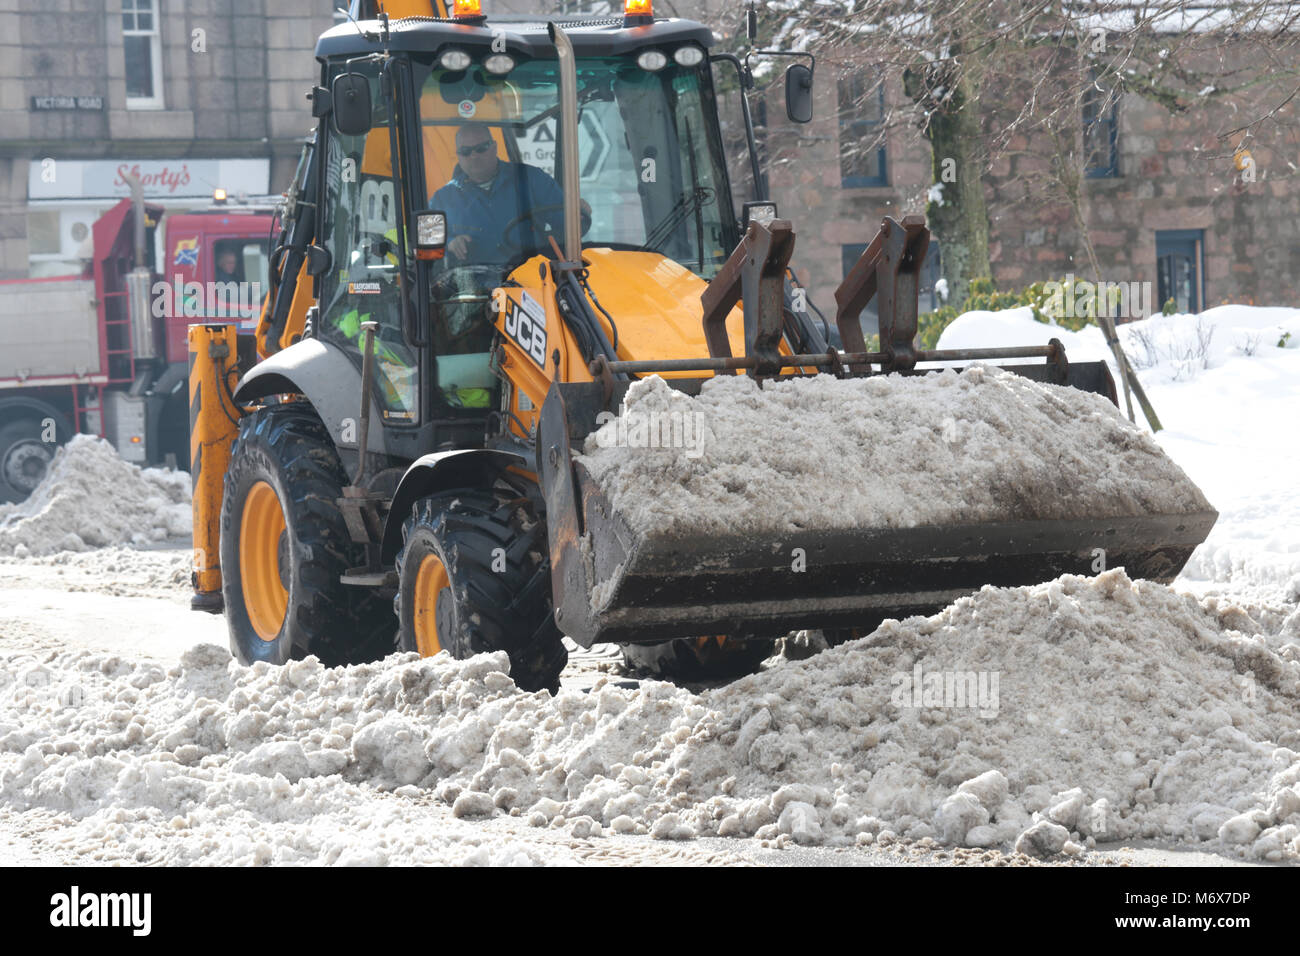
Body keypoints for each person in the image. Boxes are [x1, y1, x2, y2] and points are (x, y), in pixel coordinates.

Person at [432, 122, 588, 264]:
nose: (474, 156)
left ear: (494, 147)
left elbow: (569, 227)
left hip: (533, 280)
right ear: (458, 155)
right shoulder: (441, 199)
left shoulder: (532, 179)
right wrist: (450, 243)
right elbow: (427, 246)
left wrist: (578, 216)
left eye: (481, 148)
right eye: (465, 151)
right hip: (473, 287)